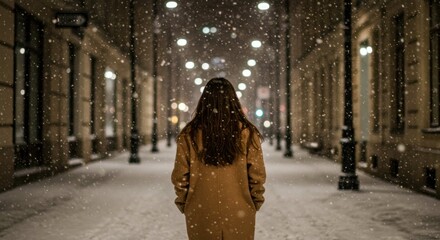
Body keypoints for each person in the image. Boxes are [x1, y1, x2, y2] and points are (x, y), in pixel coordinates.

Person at [171, 77, 266, 240]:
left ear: (204, 101)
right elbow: (257, 175)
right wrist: (254, 201)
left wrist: (185, 203)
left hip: (201, 211)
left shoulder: (190, 135)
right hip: (239, 210)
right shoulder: (247, 133)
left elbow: (180, 176)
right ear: (233, 101)